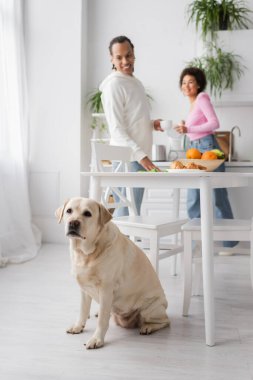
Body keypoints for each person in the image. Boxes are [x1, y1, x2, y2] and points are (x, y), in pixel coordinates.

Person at [99, 35, 164, 216]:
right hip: (127, 158)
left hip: (136, 156)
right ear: (111, 59)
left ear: (134, 53)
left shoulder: (135, 83)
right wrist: (142, 157)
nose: (125, 61)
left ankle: (127, 244)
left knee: (133, 213)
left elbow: (132, 119)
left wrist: (151, 124)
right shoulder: (113, 85)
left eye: (128, 55)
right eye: (119, 58)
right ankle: (123, 244)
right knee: (127, 214)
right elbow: (117, 129)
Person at [175, 66, 237, 248]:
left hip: (207, 147)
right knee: (193, 196)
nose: (187, 85)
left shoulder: (202, 98)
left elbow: (214, 123)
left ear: (199, 84)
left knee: (218, 196)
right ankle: (195, 242)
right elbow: (198, 125)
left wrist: (189, 129)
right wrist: (185, 126)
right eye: (184, 83)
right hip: (195, 148)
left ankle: (230, 243)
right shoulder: (193, 103)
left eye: (191, 82)